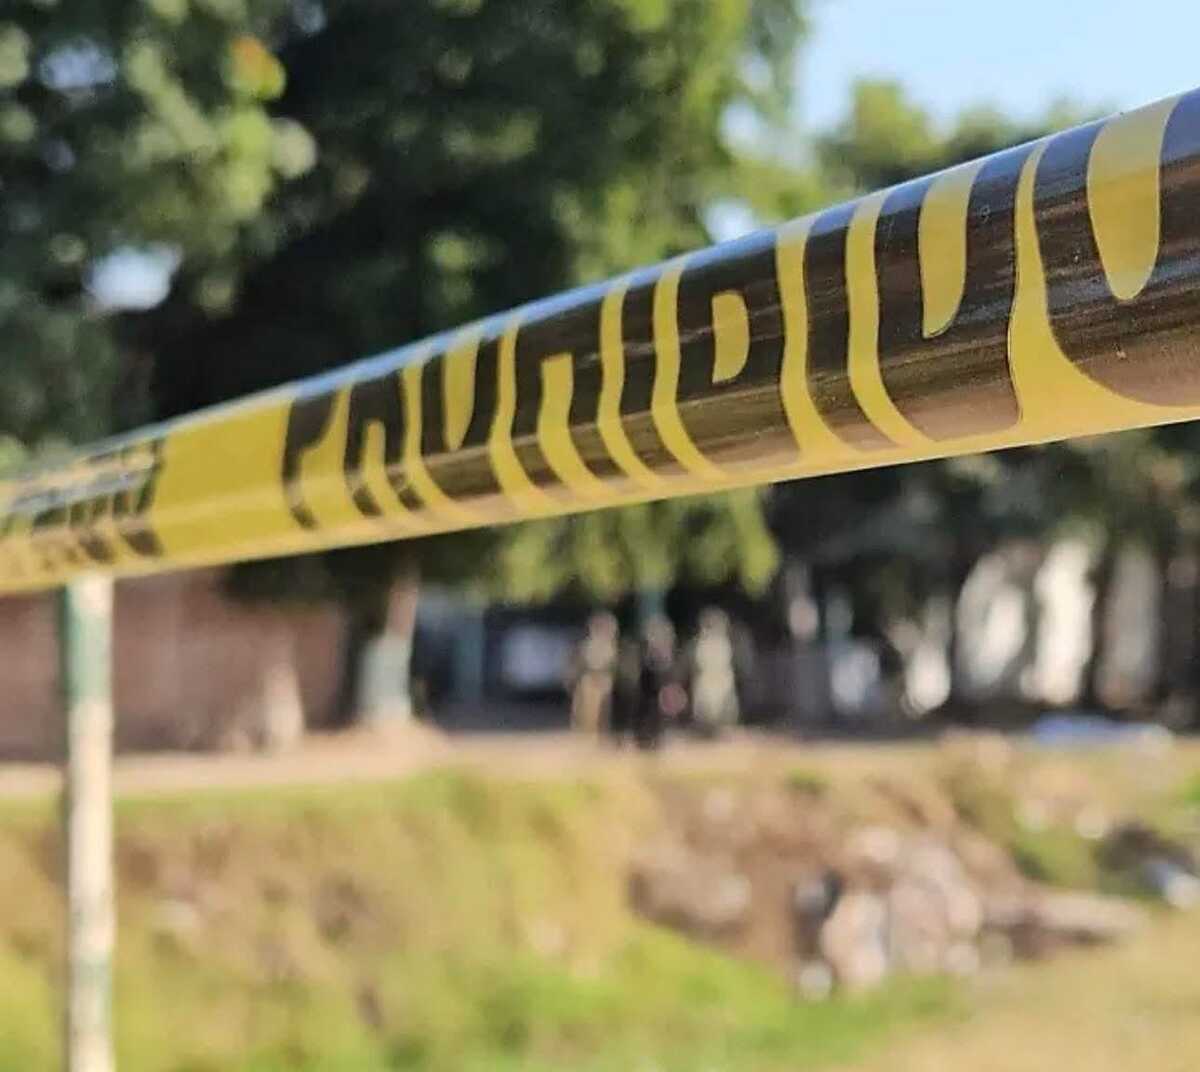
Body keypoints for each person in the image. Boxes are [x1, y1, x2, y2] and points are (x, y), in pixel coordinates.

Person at [634, 614, 686, 750]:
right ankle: (645, 739)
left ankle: (658, 739)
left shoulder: (667, 653)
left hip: (662, 690)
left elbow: (670, 672)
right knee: (647, 715)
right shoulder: (648, 654)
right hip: (649, 691)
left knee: (662, 716)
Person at [688, 607, 740, 738]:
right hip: (707, 680)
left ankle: (720, 732)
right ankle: (707, 732)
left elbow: (724, 663)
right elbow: (699, 663)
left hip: (720, 679)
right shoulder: (703, 642)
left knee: (723, 709)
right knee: (705, 709)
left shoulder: (723, 642)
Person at [568, 611, 619, 741]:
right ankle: (586, 733)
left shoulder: (609, 646)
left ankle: (600, 733)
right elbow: (582, 662)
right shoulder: (588, 644)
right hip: (589, 678)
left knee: (603, 709)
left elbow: (611, 663)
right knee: (586, 709)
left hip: (603, 678)